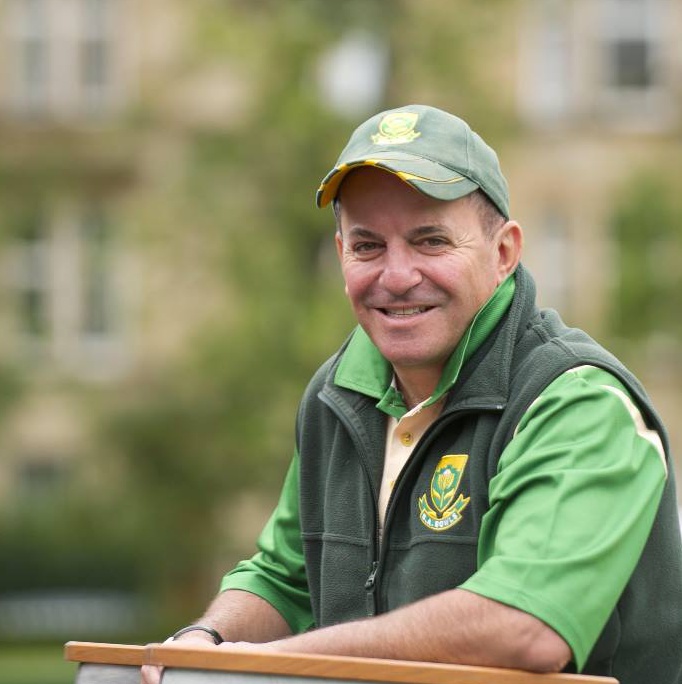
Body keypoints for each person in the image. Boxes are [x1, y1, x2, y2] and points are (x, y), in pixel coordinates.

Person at [143, 104, 682, 683]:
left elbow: (524, 627)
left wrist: (281, 662)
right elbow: (285, 578)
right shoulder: (335, 394)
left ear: (503, 253)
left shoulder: (575, 402)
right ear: (340, 254)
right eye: (368, 246)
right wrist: (204, 642)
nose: (396, 276)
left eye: (430, 241)